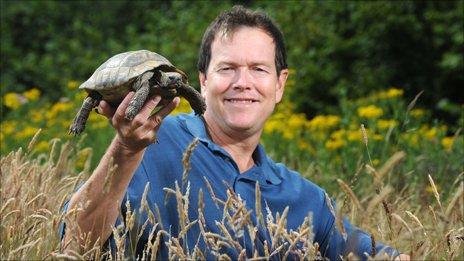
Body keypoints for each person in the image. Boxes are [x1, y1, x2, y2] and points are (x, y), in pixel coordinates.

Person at [62, 6, 409, 260]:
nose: (243, 83)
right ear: (202, 80)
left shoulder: (306, 200)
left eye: (258, 69)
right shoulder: (154, 142)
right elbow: (73, 246)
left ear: (279, 84)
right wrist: (125, 150)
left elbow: (375, 255)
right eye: (227, 68)